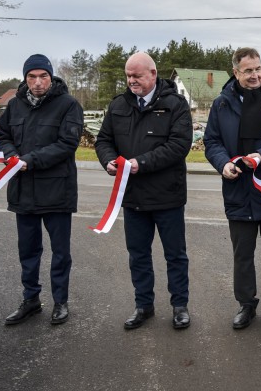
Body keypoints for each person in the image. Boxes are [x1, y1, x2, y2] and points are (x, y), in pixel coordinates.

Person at [95, 52, 193, 330]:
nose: (131, 81)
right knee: (137, 254)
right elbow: (103, 140)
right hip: (133, 197)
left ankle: (180, 306)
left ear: (153, 73)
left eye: (136, 75)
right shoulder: (118, 105)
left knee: (175, 254)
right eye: (128, 76)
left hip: (167, 196)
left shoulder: (175, 105)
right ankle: (143, 305)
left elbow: (179, 146)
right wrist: (109, 160)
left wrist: (142, 163)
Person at [203, 47, 261, 331]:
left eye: (258, 68)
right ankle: (246, 305)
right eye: (248, 70)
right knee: (242, 254)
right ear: (236, 72)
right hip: (238, 190)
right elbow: (211, 142)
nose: (256, 75)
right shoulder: (221, 104)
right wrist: (223, 164)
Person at [0, 54, 84, 326]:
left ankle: (60, 301)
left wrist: (29, 161)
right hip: (23, 192)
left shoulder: (68, 105)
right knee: (28, 251)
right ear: (25, 79)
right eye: (32, 77)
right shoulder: (14, 106)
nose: (37, 82)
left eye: (42, 76)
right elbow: (2, 136)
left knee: (60, 252)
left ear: (51, 77)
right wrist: (10, 154)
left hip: (57, 191)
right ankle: (31, 300)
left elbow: (67, 143)